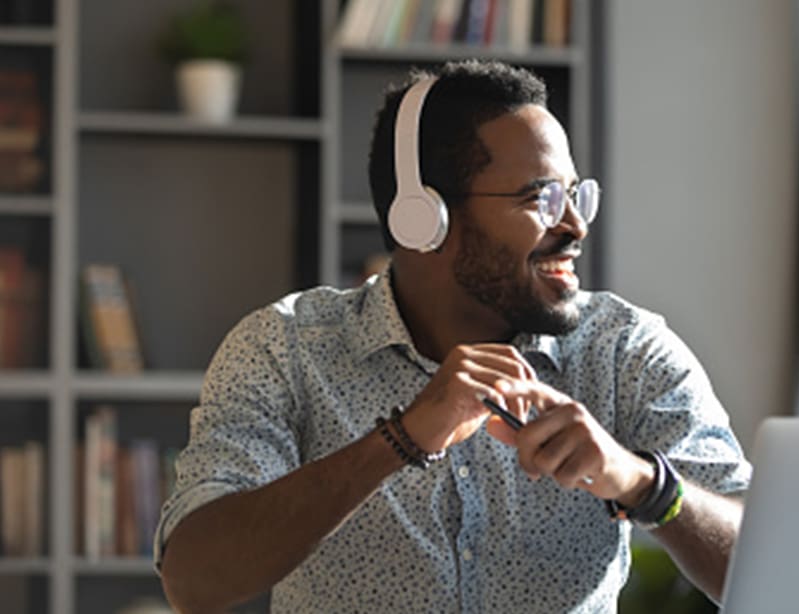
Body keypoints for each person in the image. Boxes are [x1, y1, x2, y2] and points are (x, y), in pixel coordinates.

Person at [155, 60, 751, 613]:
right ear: (424, 216)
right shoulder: (286, 349)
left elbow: (780, 569)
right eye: (540, 198)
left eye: (575, 195)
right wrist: (400, 439)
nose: (573, 226)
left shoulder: (624, 351)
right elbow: (194, 577)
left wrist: (641, 483)